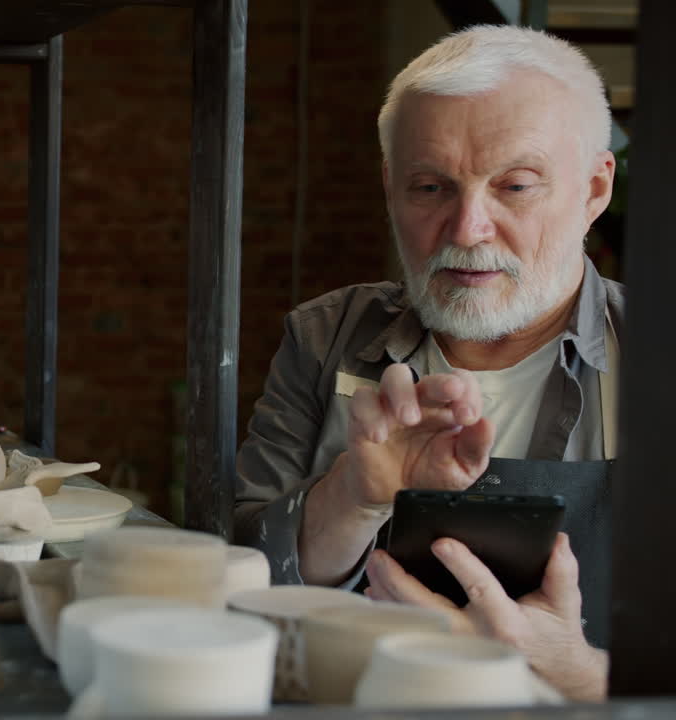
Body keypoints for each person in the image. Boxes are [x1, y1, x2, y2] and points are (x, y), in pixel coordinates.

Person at [234, 25, 618, 702]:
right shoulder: (327, 339)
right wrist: (351, 498)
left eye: (517, 186)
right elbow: (238, 582)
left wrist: (586, 680)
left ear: (593, 189)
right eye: (430, 188)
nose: (468, 229)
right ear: (390, 187)